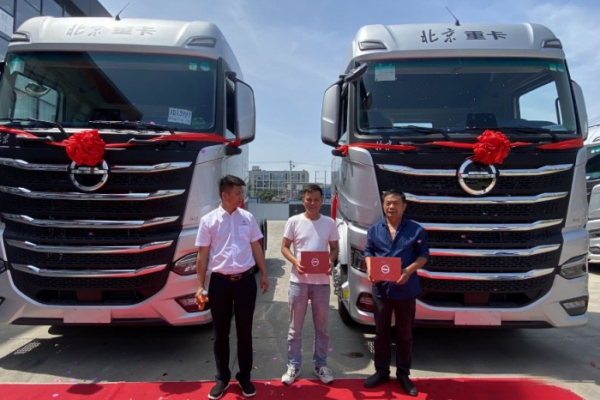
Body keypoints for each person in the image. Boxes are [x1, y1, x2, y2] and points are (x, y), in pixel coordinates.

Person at [194, 175, 269, 400]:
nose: (241, 197)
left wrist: (264, 273)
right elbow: (202, 255)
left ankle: (244, 376)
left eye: (241, 193)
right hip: (219, 283)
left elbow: (256, 247)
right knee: (221, 334)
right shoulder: (208, 221)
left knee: (245, 332)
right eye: (237, 193)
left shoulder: (248, 218)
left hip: (245, 282)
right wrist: (200, 286)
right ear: (224, 195)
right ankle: (222, 378)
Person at [363, 189, 429, 397]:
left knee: (405, 335)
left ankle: (403, 374)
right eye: (387, 203)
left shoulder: (416, 230)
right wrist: (369, 267)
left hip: (406, 290)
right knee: (381, 334)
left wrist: (408, 271)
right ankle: (381, 372)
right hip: (382, 289)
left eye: (395, 203)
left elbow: (423, 255)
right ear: (383, 205)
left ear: (404, 206)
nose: (391, 207)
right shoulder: (375, 230)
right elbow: (368, 251)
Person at [280, 184, 339, 385]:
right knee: (294, 329)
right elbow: (284, 247)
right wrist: (295, 261)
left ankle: (320, 365)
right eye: (308, 199)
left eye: (316, 199)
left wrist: (329, 262)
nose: (312, 203)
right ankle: (293, 365)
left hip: (321, 283)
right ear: (303, 200)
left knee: (321, 329)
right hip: (298, 283)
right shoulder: (294, 221)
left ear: (322, 201)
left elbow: (334, 249)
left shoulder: (329, 223)